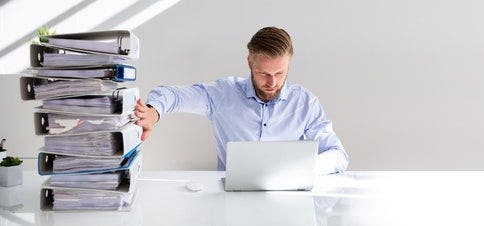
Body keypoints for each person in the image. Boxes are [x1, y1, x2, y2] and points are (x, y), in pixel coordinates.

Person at [134, 27, 348, 175]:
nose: (272, 82)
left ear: (289, 65)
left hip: (289, 200)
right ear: (249, 63)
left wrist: (305, 168)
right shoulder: (223, 94)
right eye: (263, 73)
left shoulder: (305, 103)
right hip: (231, 200)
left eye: (280, 73)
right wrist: (154, 111)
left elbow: (338, 155)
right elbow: (173, 95)